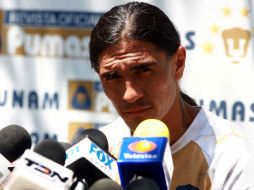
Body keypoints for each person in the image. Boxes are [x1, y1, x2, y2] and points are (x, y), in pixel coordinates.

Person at [89, 2, 250, 189]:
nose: (130, 94)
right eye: (112, 76)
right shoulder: (101, 152)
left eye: (143, 69)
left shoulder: (231, 155)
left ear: (178, 63)